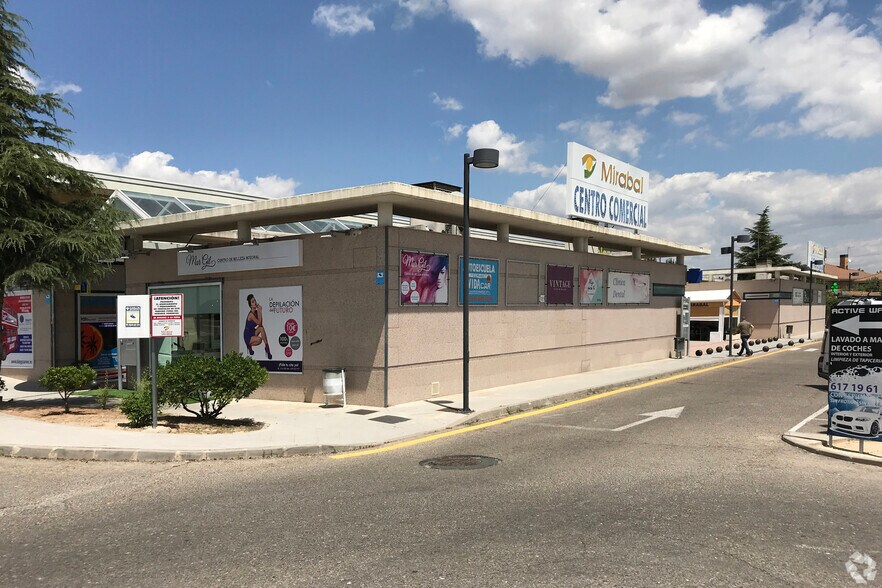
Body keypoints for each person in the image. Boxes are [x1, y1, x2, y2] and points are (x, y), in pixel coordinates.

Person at [243, 294, 272, 360]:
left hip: (252, 332)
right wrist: (260, 312)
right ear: (250, 305)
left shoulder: (256, 312)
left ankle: (267, 348)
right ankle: (249, 345)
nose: (255, 303)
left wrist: (259, 312)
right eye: (253, 302)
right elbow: (259, 323)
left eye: (255, 300)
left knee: (261, 328)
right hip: (248, 335)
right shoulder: (251, 315)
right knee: (259, 340)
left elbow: (260, 324)